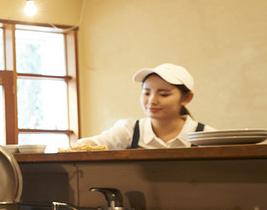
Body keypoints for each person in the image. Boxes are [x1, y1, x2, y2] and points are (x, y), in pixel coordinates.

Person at [76, 63, 215, 150]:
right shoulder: (129, 130)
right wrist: (82, 145)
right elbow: (98, 142)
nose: (152, 101)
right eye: (147, 93)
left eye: (164, 94)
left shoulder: (205, 136)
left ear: (186, 98)